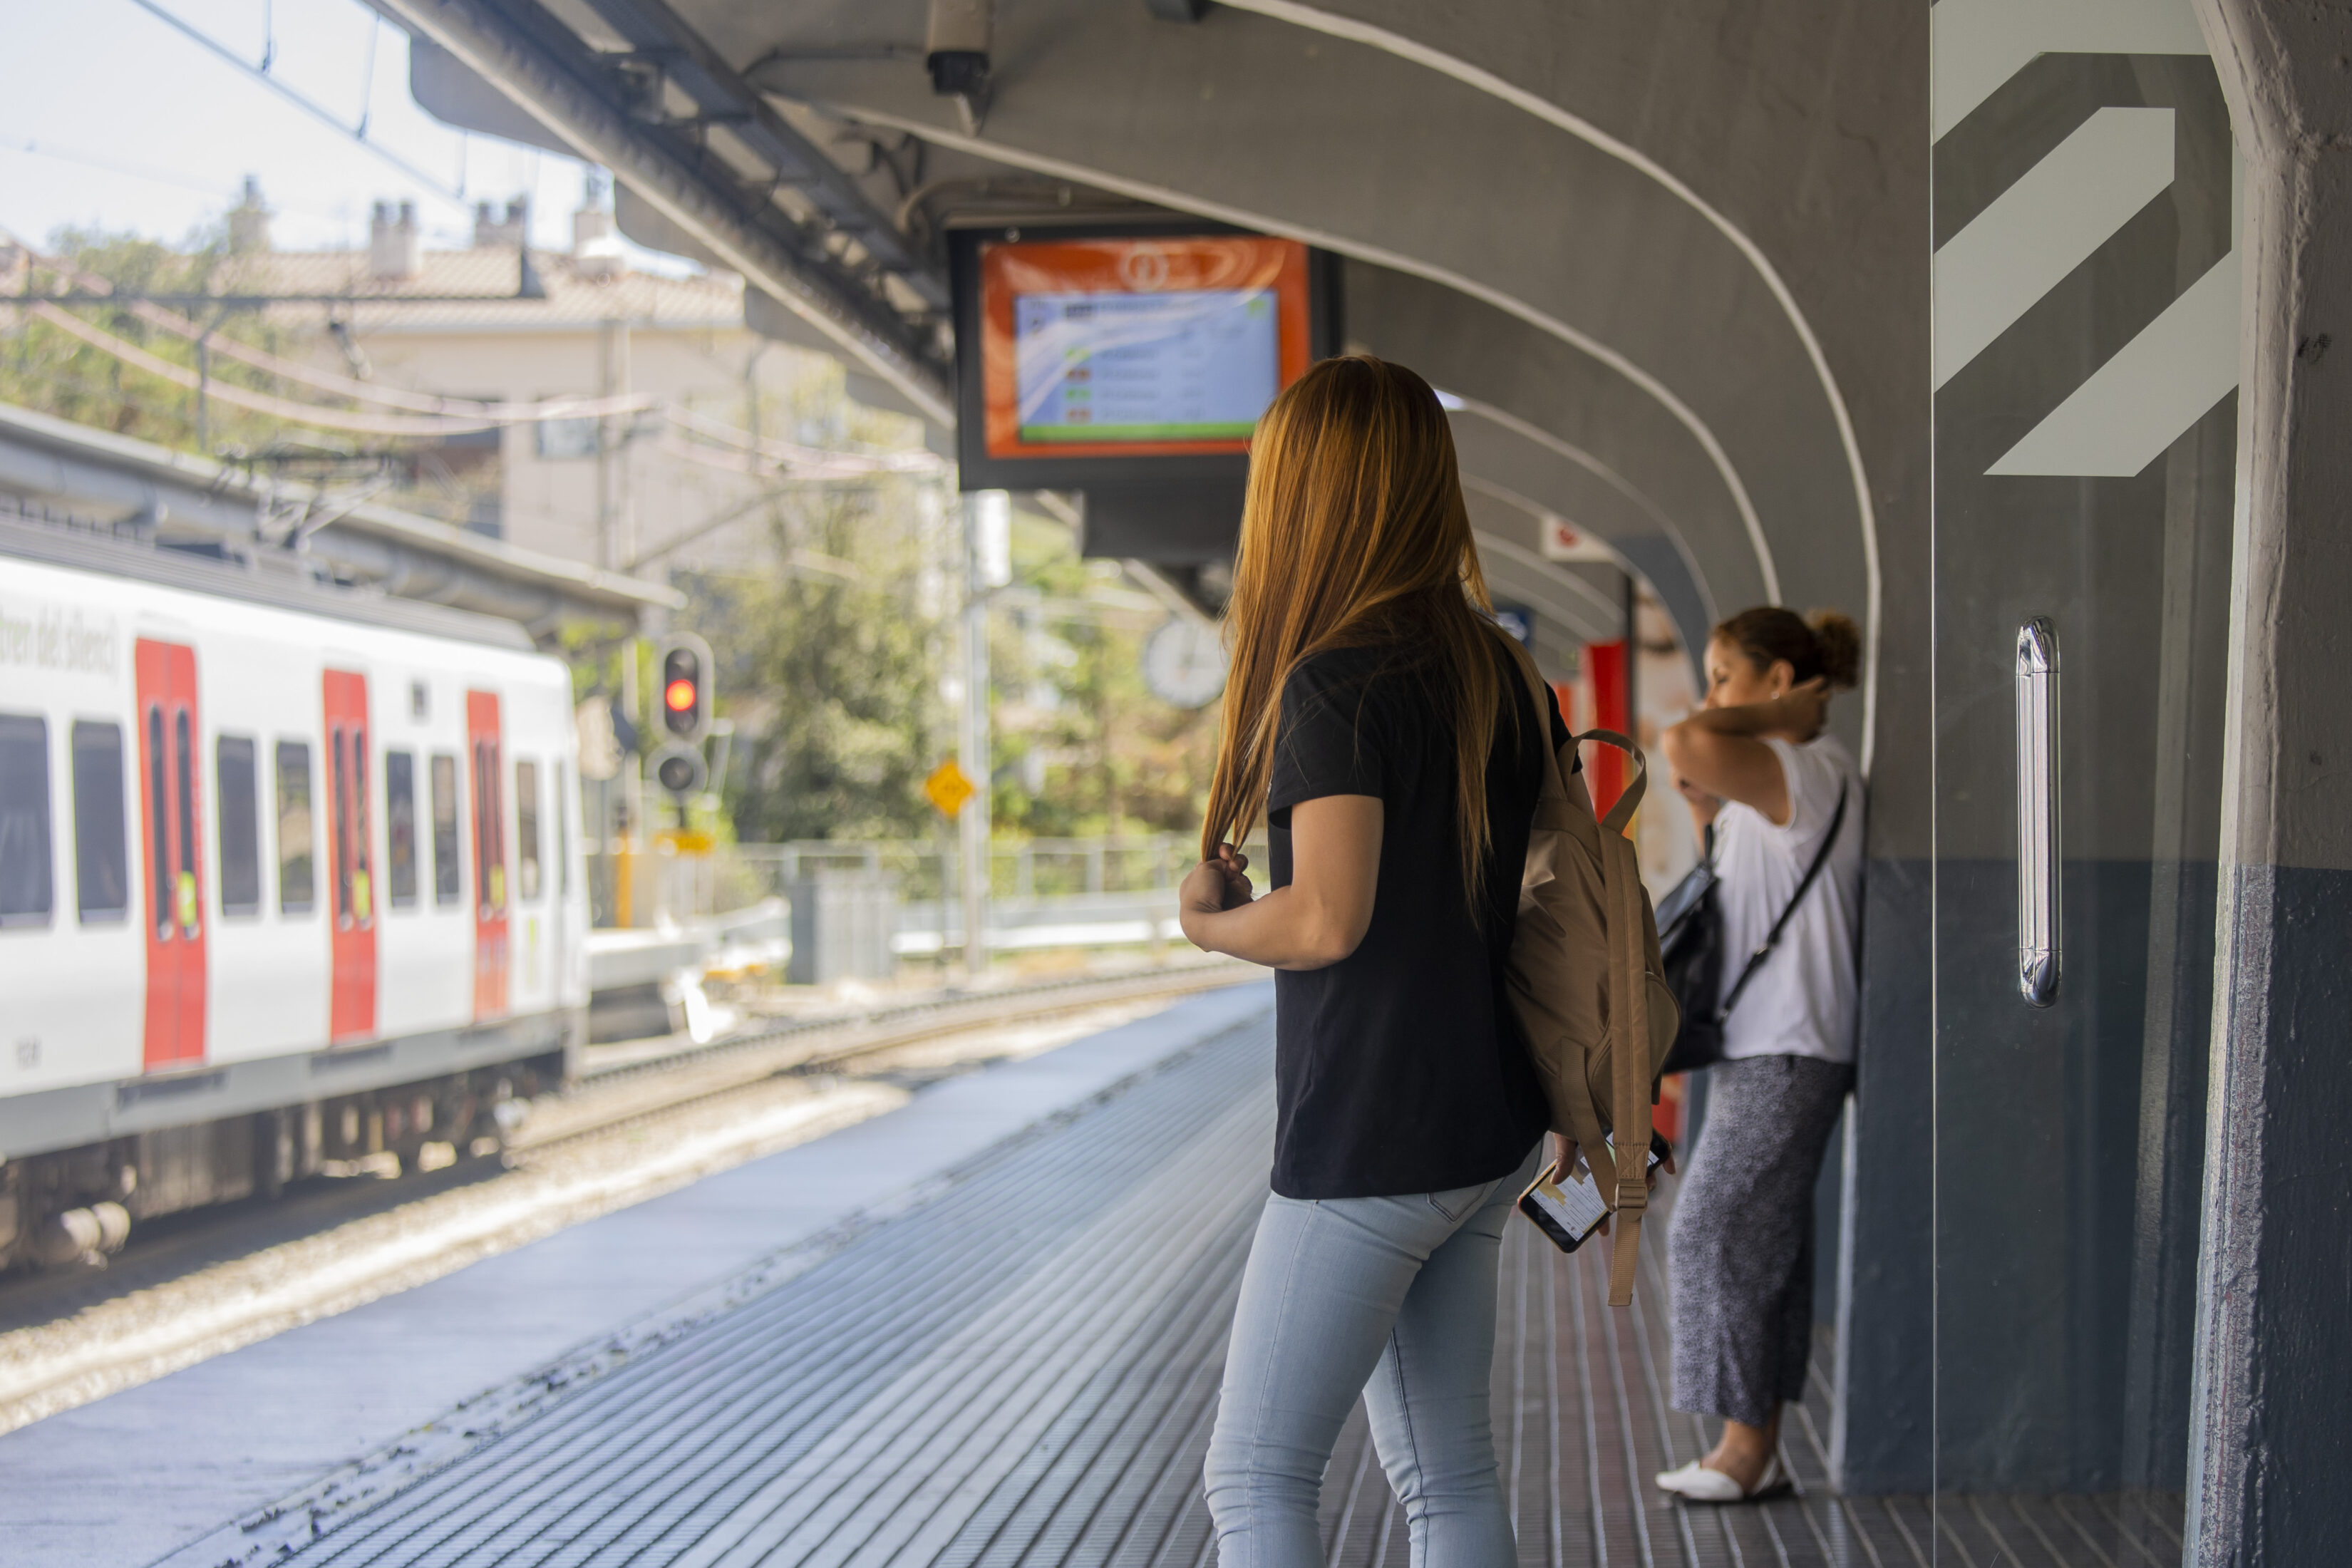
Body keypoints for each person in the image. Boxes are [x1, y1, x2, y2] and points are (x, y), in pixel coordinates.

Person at [1179, 355, 1568, 1567]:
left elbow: (1324, 921)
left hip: (1372, 1136)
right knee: (1449, 1476)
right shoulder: (1501, 670)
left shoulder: (1337, 679)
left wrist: (1211, 922)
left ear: (1304, 495)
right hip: (1486, 1128)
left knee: (1256, 1477)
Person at [1651, 606, 1864, 1502]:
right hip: (1770, 1045)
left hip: (1790, 1046)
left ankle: (1743, 1450)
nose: (1711, 697)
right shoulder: (1782, 777)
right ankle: (1755, 1450)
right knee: (1761, 1242)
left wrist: (1780, 713)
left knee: (1712, 1231)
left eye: (1723, 675)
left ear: (1778, 681)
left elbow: (1682, 739)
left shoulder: (1804, 767)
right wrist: (1708, 815)